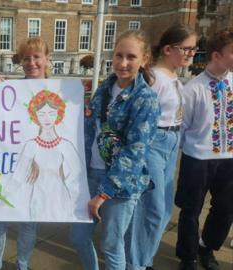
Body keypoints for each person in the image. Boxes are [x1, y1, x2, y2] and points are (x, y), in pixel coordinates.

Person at [85, 30, 160, 270]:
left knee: (111, 245)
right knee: (80, 236)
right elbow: (90, 129)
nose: (123, 63)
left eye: (131, 57)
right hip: (92, 172)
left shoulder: (146, 99)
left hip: (121, 185)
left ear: (144, 60)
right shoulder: (103, 89)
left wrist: (104, 193)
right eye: (118, 55)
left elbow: (135, 152)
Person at [126, 24, 197, 270]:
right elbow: (137, 115)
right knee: (150, 209)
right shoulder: (153, 79)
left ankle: (144, 259)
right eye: (186, 49)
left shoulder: (174, 77)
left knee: (164, 210)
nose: (191, 54)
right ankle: (134, 262)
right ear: (168, 49)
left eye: (193, 49)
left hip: (170, 142)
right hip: (153, 142)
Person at [0, 37, 50, 270]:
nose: (31, 62)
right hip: (8, 165)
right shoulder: (11, 90)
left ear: (47, 59)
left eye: (36, 57)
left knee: (28, 224)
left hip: (38, 168)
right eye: (26, 58)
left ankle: (23, 265)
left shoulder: (60, 92)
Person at [175, 27, 233, 270]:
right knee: (191, 210)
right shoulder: (193, 89)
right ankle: (187, 257)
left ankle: (206, 248)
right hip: (197, 158)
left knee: (226, 208)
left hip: (229, 158)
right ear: (217, 55)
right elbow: (181, 128)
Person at [4, 89, 87, 221]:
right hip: (38, 196)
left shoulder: (66, 145)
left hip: (60, 197)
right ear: (35, 116)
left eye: (51, 113)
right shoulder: (30, 145)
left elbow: (78, 176)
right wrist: (3, 197)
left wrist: (80, 204)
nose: (47, 118)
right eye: (42, 114)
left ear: (58, 114)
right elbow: (18, 175)